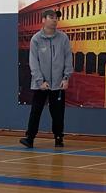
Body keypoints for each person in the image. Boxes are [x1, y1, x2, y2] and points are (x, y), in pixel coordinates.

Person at [21, 8, 70, 149]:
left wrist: (66, 77)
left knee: (58, 113)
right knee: (36, 111)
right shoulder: (36, 39)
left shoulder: (63, 38)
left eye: (56, 17)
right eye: (51, 17)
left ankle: (59, 138)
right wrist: (40, 81)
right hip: (41, 84)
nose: (55, 20)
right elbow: (33, 62)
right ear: (43, 20)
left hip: (58, 84)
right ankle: (30, 138)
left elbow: (68, 58)